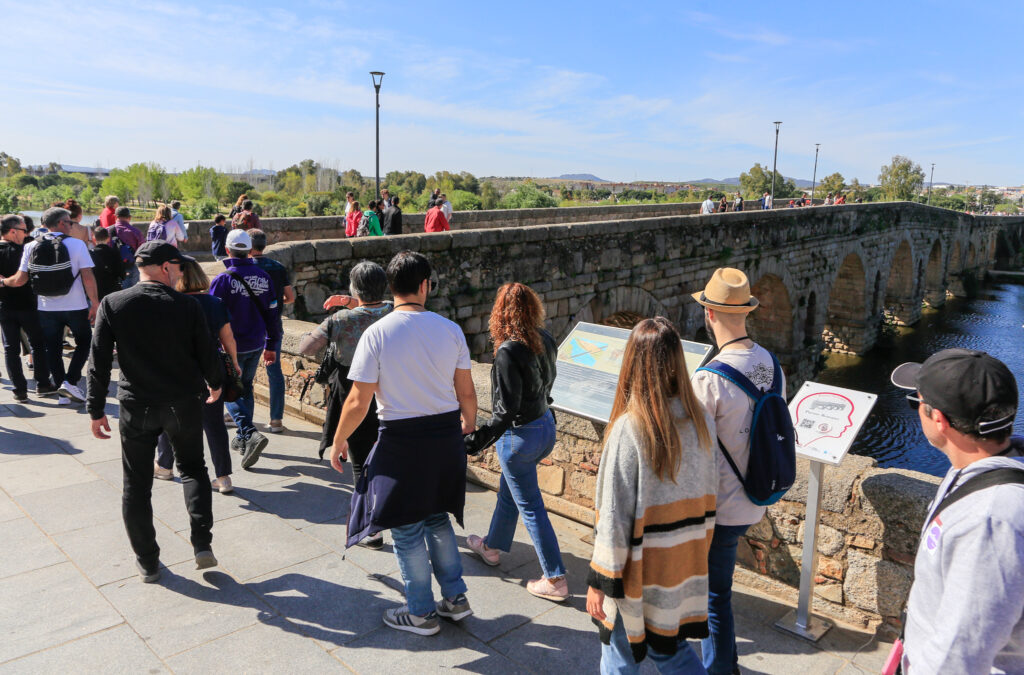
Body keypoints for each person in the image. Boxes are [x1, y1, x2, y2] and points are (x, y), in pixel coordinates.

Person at [331, 251, 477, 636]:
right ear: (425, 286)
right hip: (445, 437)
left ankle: (420, 613)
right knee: (438, 517)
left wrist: (339, 439)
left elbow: (359, 400)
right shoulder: (450, 330)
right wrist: (468, 426)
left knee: (408, 528)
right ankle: (456, 599)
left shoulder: (375, 334)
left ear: (391, 287)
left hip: (401, 440)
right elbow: (467, 394)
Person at [86, 242, 224, 583]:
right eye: (177, 268)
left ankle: (148, 561)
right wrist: (216, 383)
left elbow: (99, 361)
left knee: (136, 486)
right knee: (193, 469)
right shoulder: (187, 306)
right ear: (166, 268)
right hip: (182, 403)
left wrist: (96, 408)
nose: (179, 274)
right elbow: (207, 351)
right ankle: (201, 543)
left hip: (137, 405)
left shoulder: (113, 304)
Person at [586, 317, 717, 674]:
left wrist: (600, 582)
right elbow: (709, 496)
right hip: (681, 566)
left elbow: (614, 518)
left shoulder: (630, 429)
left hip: (638, 574)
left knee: (618, 651)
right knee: (670, 648)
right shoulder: (702, 420)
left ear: (631, 362)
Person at [890, 349, 1024, 674]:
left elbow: (959, 655)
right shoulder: (974, 469)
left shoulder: (990, 520)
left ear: (940, 420)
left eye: (915, 403)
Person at [688, 267, 781, 675]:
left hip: (721, 507)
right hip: (757, 494)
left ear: (709, 314)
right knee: (717, 592)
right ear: (746, 313)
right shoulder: (771, 364)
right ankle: (726, 660)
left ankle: (721, 669)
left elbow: (697, 456)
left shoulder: (707, 380)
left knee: (714, 596)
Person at [463, 283, 567, 601]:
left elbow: (504, 411)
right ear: (533, 308)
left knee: (531, 507)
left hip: (520, 438)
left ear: (500, 313)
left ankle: (556, 579)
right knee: (512, 493)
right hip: (545, 426)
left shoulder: (508, 350)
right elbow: (548, 383)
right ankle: (491, 548)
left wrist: (476, 440)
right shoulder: (545, 338)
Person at [299, 262, 393, 545]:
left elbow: (306, 348)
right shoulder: (394, 310)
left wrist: (346, 308)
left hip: (353, 391)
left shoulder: (340, 320)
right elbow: (376, 304)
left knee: (360, 460)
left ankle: (370, 528)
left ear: (354, 289)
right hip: (391, 389)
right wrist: (354, 301)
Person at [155, 260, 239, 494]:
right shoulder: (215, 303)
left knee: (169, 419)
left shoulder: (170, 303)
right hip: (210, 369)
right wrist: (234, 364)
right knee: (214, 426)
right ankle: (223, 478)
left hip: (179, 370)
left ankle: (164, 466)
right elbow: (228, 338)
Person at [0, 207, 99, 405]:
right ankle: (69, 382)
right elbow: (88, 276)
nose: (72, 226)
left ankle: (61, 390)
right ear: (62, 223)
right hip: (75, 305)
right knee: (85, 342)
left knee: (51, 348)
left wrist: (3, 282)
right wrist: (95, 303)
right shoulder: (77, 245)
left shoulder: (31, 246)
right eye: (70, 222)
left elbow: (20, 279)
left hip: (46, 307)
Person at [209, 229, 279, 469]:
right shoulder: (264, 277)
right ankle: (242, 438)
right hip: (257, 343)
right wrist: (272, 344)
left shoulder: (221, 280)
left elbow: (211, 315)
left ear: (227, 250)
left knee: (230, 389)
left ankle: (249, 432)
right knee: (245, 387)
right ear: (250, 251)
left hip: (231, 347)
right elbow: (273, 314)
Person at [0, 214, 55, 401]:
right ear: (13, 231)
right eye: (24, 230)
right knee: (38, 345)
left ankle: (19, 389)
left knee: (10, 349)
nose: (26, 234)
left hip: (4, 306)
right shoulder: (27, 250)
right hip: (29, 305)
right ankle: (43, 383)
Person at [249, 229, 295, 434]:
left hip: (248, 326)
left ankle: (239, 414)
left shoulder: (244, 267)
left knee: (243, 371)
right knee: (274, 373)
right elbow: (290, 297)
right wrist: (276, 303)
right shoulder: (277, 267)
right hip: (273, 324)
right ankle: (276, 419)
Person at [109, 206, 143, 288]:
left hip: (114, 267)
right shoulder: (136, 232)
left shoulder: (108, 231)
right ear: (129, 217)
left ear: (115, 216)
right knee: (132, 293)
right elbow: (142, 251)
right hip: (131, 266)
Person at [89, 226, 125, 301]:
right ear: (108, 238)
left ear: (94, 238)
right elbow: (122, 274)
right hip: (112, 290)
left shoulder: (90, 254)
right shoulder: (115, 252)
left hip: (96, 291)